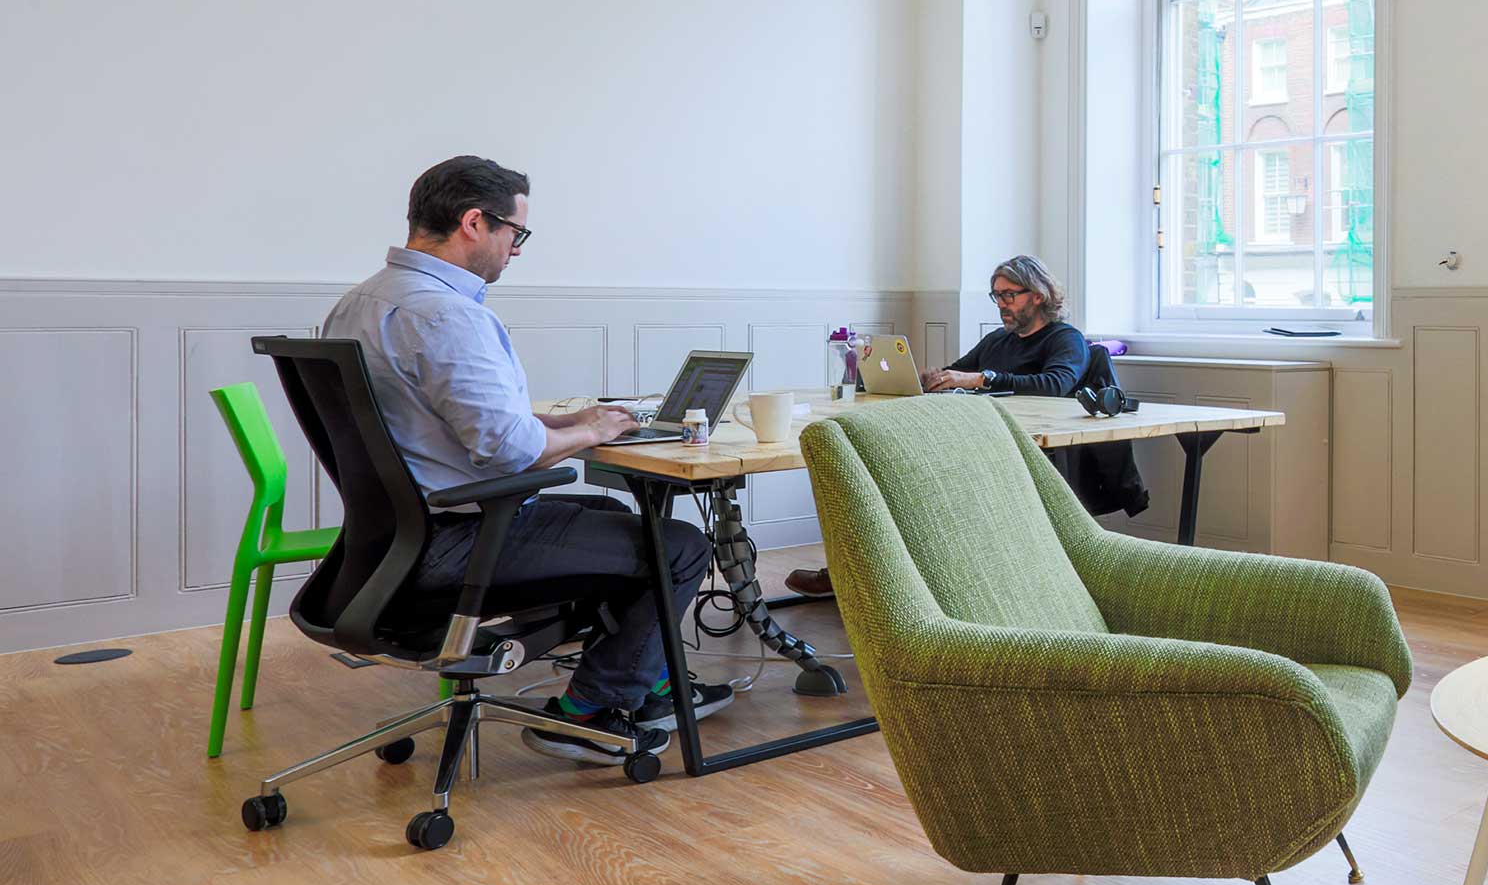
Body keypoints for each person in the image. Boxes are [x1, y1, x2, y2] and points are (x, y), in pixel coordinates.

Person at [324, 156, 728, 762]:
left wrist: (557, 424)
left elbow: (428, 424)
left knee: (603, 515)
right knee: (678, 545)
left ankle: (647, 680)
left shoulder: (361, 302)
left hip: (388, 541)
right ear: (474, 223)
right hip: (456, 541)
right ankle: (587, 710)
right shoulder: (446, 314)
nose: (516, 249)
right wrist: (590, 430)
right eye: (516, 233)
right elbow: (510, 453)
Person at [785, 254, 1088, 598]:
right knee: (885, 477)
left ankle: (871, 580)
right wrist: (934, 379)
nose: (1002, 304)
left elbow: (1056, 384)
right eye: (996, 296)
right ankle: (856, 575)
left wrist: (980, 378)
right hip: (981, 439)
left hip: (1026, 450)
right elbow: (958, 371)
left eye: (1009, 295)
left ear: (1038, 294)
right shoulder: (998, 341)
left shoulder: (1065, 339)